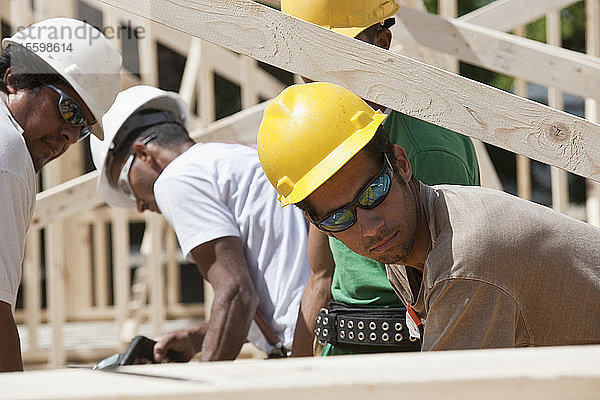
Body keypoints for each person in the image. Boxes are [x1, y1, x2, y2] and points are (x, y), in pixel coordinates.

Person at [257, 82, 600, 351]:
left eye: (373, 192)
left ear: (402, 164)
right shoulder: (408, 245)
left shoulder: (464, 259)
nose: (370, 227)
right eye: (340, 218)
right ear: (321, 229)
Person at [281, 0, 480, 356]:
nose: (318, 77)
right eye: (307, 59)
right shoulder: (326, 136)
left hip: (408, 355)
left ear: (382, 43)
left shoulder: (427, 146)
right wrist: (293, 378)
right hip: (345, 351)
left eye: (336, 57)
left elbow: (458, 287)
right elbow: (320, 278)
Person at [90, 85, 310, 361]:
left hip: (302, 350)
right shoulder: (235, 157)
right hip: (324, 333)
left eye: (125, 186)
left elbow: (236, 293)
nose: (139, 205)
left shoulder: (176, 178)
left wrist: (204, 381)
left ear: (145, 154)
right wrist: (201, 338)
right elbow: (278, 281)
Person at [0, 18, 122, 372]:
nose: (68, 137)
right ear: (15, 80)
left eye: (82, 128)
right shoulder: (8, 151)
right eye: (68, 110)